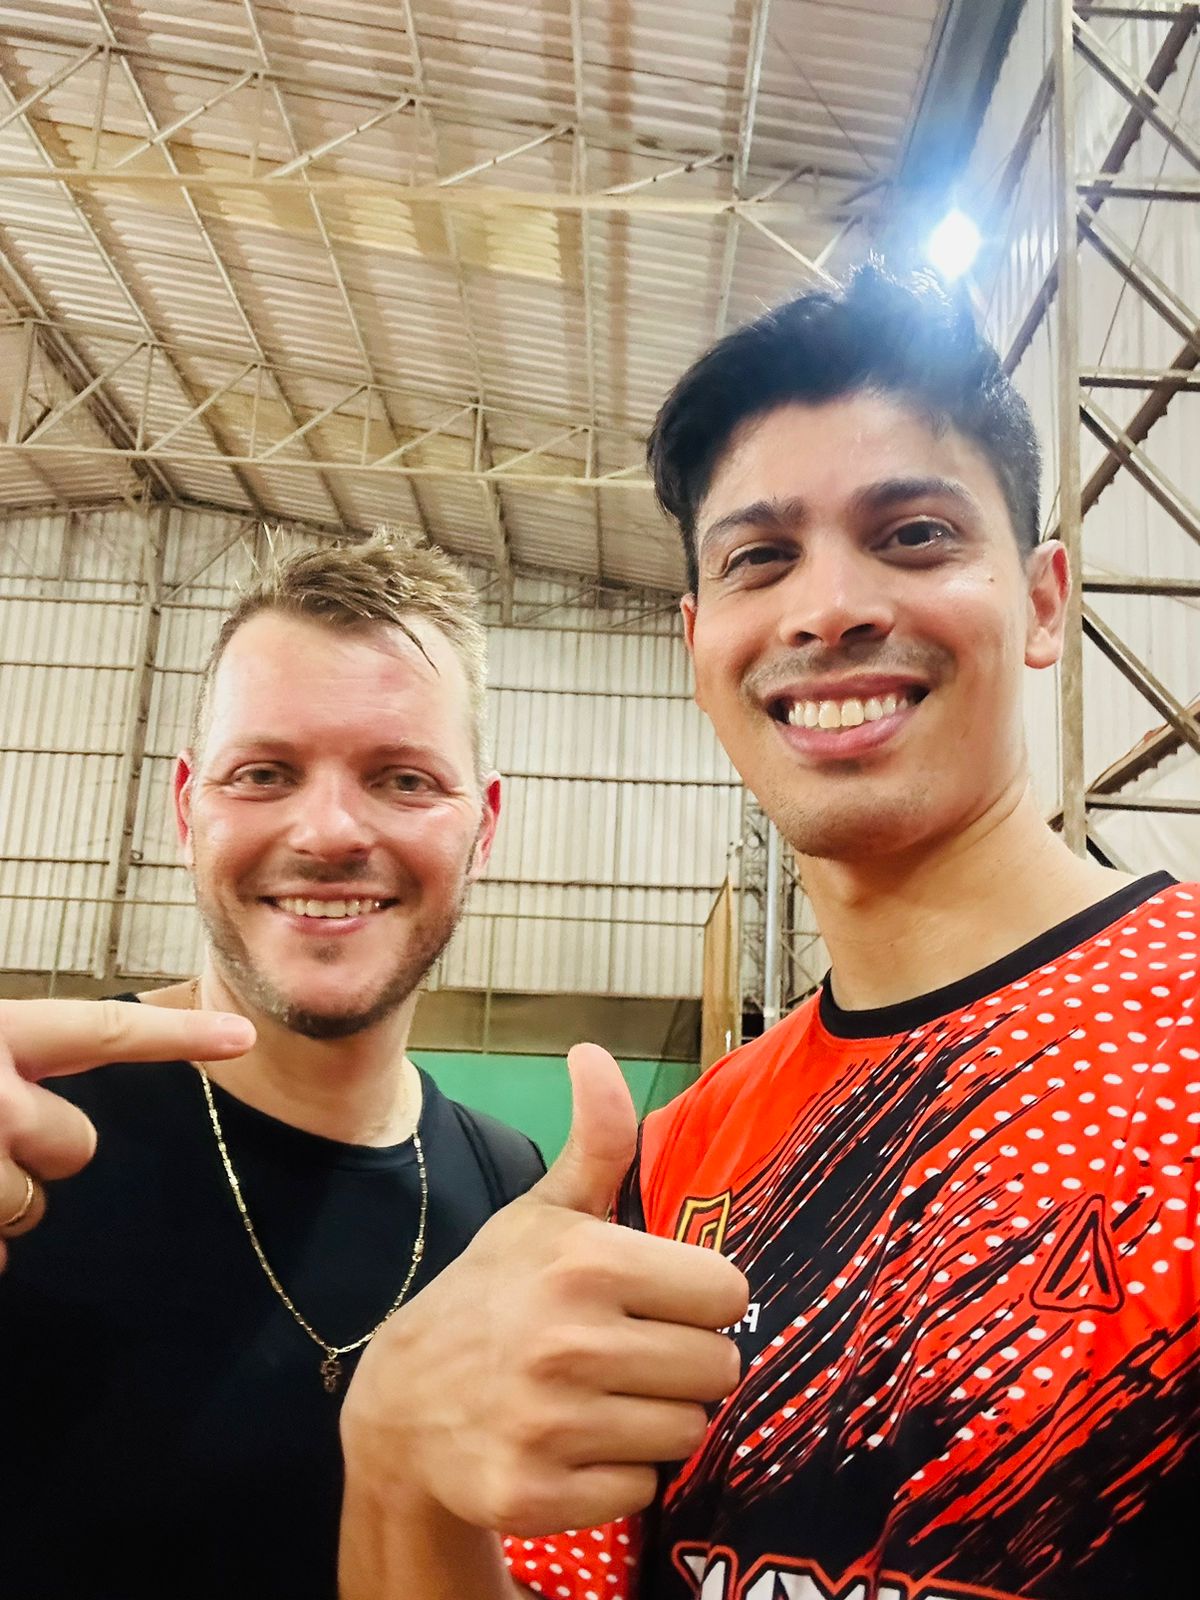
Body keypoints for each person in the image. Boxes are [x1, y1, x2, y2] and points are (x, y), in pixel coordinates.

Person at [336, 266, 1200, 1600]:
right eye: (761, 558)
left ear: (1041, 602)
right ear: (700, 645)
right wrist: (397, 1459)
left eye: (914, 534)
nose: (826, 607)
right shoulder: (678, 1162)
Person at [0, 532, 545, 1599]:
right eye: (264, 774)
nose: (330, 831)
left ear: (483, 828)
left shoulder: (512, 1192)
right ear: (186, 809)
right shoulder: (29, 1129)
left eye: (402, 778)